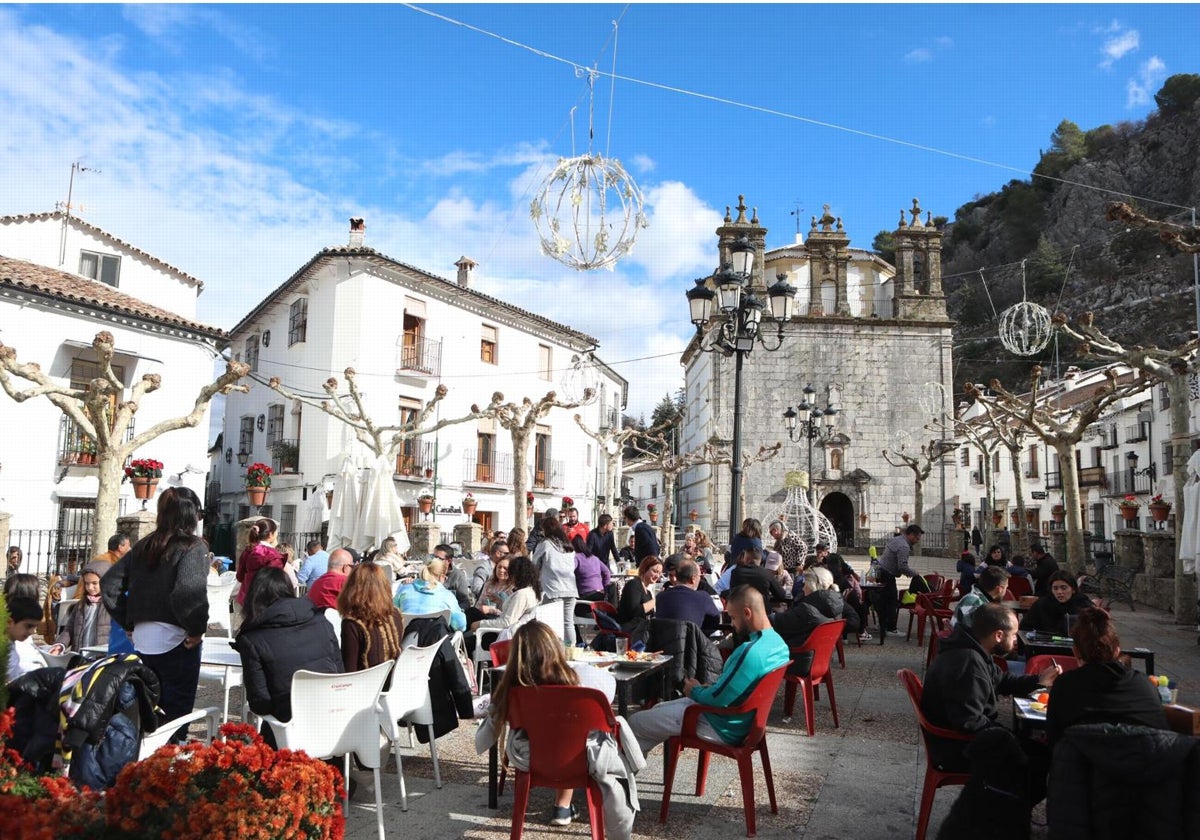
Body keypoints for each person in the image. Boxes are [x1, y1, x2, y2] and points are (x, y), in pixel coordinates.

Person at [484, 620, 618, 827]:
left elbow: (491, 719)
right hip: (577, 758)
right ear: (556, 648)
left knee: (558, 734)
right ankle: (563, 806)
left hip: (528, 757)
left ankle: (563, 806)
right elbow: (609, 693)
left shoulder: (510, 690)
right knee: (575, 733)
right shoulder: (583, 679)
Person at [629, 585, 789, 755]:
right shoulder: (779, 645)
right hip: (741, 722)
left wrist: (694, 691)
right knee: (657, 710)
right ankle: (626, 771)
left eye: (733, 618)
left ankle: (622, 774)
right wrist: (705, 690)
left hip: (721, 724)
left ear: (747, 613)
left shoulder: (751, 652)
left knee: (635, 722)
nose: (733, 625)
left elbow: (720, 698)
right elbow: (733, 690)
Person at [100, 486, 209, 729]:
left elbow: (108, 585)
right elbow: (186, 593)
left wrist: (129, 621)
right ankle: (169, 762)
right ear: (191, 514)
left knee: (147, 715)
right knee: (174, 720)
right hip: (177, 640)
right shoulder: (193, 547)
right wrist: (195, 629)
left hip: (142, 640)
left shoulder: (142, 545)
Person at [920, 603, 1061, 774]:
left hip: (964, 740)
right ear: (999, 635)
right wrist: (1009, 736)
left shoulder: (974, 648)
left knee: (1040, 752)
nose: (1016, 640)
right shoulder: (967, 662)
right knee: (1044, 761)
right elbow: (969, 721)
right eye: (1014, 635)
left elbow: (1001, 679)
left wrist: (1039, 680)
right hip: (957, 749)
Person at [234, 567, 343, 747]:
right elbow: (340, 671)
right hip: (333, 720)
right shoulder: (322, 621)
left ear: (253, 597)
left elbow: (260, 703)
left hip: (290, 731)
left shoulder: (252, 639)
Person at [1046, 607, 1168, 747]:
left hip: (1086, 766)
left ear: (1075, 651)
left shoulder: (1065, 685)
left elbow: (1054, 740)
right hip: (1148, 764)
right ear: (1117, 650)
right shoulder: (1145, 684)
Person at [338, 562, 404, 675]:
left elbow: (349, 671)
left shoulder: (352, 624)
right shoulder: (396, 614)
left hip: (367, 686)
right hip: (394, 682)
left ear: (352, 588)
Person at [532, 516, 580, 646]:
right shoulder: (568, 546)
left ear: (546, 530)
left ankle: (553, 651)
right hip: (571, 589)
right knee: (568, 622)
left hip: (553, 589)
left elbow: (534, 563)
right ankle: (570, 649)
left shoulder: (545, 544)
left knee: (550, 623)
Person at [470, 555, 540, 641]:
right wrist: (499, 602)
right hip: (503, 629)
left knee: (470, 619)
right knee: (472, 612)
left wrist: (480, 624)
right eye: (499, 567)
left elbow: (507, 622)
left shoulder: (521, 594)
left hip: (502, 635)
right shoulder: (528, 591)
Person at [772, 566, 843, 648]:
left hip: (794, 654)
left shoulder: (807, 610)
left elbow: (778, 622)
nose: (803, 588)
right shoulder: (837, 607)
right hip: (817, 654)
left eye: (805, 584)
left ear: (812, 586)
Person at [394, 558, 467, 632]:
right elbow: (461, 625)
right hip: (436, 641)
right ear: (442, 576)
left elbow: (392, 612)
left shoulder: (405, 589)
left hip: (406, 640)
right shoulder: (447, 595)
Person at [876, 524, 922, 637]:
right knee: (892, 601)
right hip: (888, 574)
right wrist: (913, 573)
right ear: (911, 535)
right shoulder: (904, 546)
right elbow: (902, 566)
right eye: (917, 538)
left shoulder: (897, 539)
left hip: (881, 571)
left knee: (884, 600)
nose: (917, 541)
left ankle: (883, 625)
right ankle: (891, 628)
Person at [655, 560, 720, 634]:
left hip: (664, 643)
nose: (700, 579)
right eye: (699, 576)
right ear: (693, 579)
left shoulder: (660, 597)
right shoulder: (702, 597)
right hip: (692, 643)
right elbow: (715, 620)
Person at [1020, 570, 1093, 635]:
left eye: (1064, 588)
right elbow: (1024, 627)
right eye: (1055, 588)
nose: (1059, 592)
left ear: (1073, 589)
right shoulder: (1042, 604)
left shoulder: (1083, 604)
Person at [55, 568, 111, 651]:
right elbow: (69, 629)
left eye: (94, 583)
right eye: (87, 583)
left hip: (101, 656)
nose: (90, 587)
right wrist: (60, 645)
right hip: (80, 655)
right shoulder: (80, 605)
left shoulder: (111, 605)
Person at [236, 518, 285, 606]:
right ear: (271, 534)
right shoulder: (273, 555)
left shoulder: (248, 551)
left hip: (247, 597)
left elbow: (240, 576)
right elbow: (275, 581)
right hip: (266, 599)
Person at [5, 596, 52, 682]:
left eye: (35, 627)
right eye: (28, 626)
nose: (32, 631)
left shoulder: (13, 644)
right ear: (10, 622)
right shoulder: (4, 647)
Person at [951, 565, 1010, 630]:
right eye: (1006, 588)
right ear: (1000, 589)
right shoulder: (977, 605)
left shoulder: (974, 597)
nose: (1006, 591)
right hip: (963, 639)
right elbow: (982, 636)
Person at [467, 551, 512, 627]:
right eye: (499, 567)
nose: (501, 570)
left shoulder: (512, 588)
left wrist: (491, 610)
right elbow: (479, 604)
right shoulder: (490, 583)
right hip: (485, 616)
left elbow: (509, 615)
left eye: (505, 568)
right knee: (471, 611)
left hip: (500, 621)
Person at [617, 556, 662, 630]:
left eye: (659, 573)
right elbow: (634, 612)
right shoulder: (634, 584)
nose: (657, 575)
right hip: (629, 629)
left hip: (640, 629)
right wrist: (658, 599)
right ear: (645, 569)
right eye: (654, 571)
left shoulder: (648, 593)